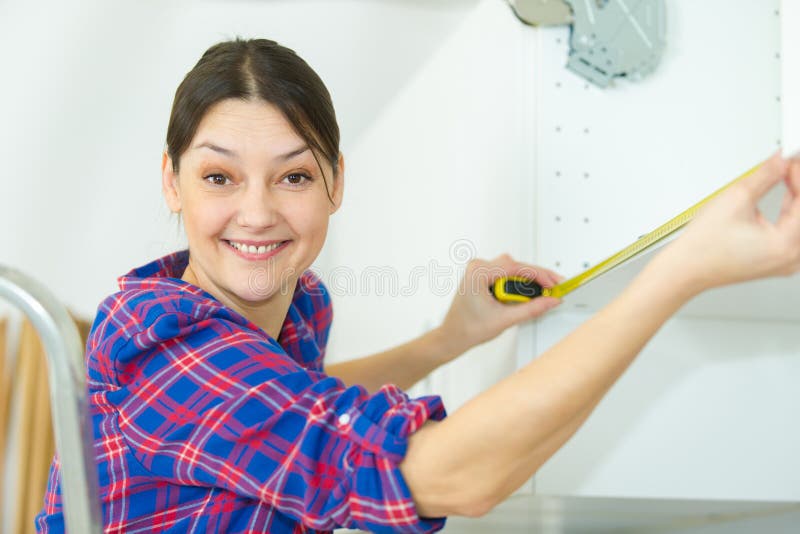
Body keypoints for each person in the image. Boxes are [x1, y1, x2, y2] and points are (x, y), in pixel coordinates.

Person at [36, 38, 800, 533]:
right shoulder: (161, 341)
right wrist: (679, 275)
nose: (258, 212)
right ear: (172, 183)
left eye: (294, 175)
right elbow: (449, 477)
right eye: (218, 176)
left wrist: (450, 337)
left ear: (336, 183)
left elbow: (293, 408)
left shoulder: (285, 315)